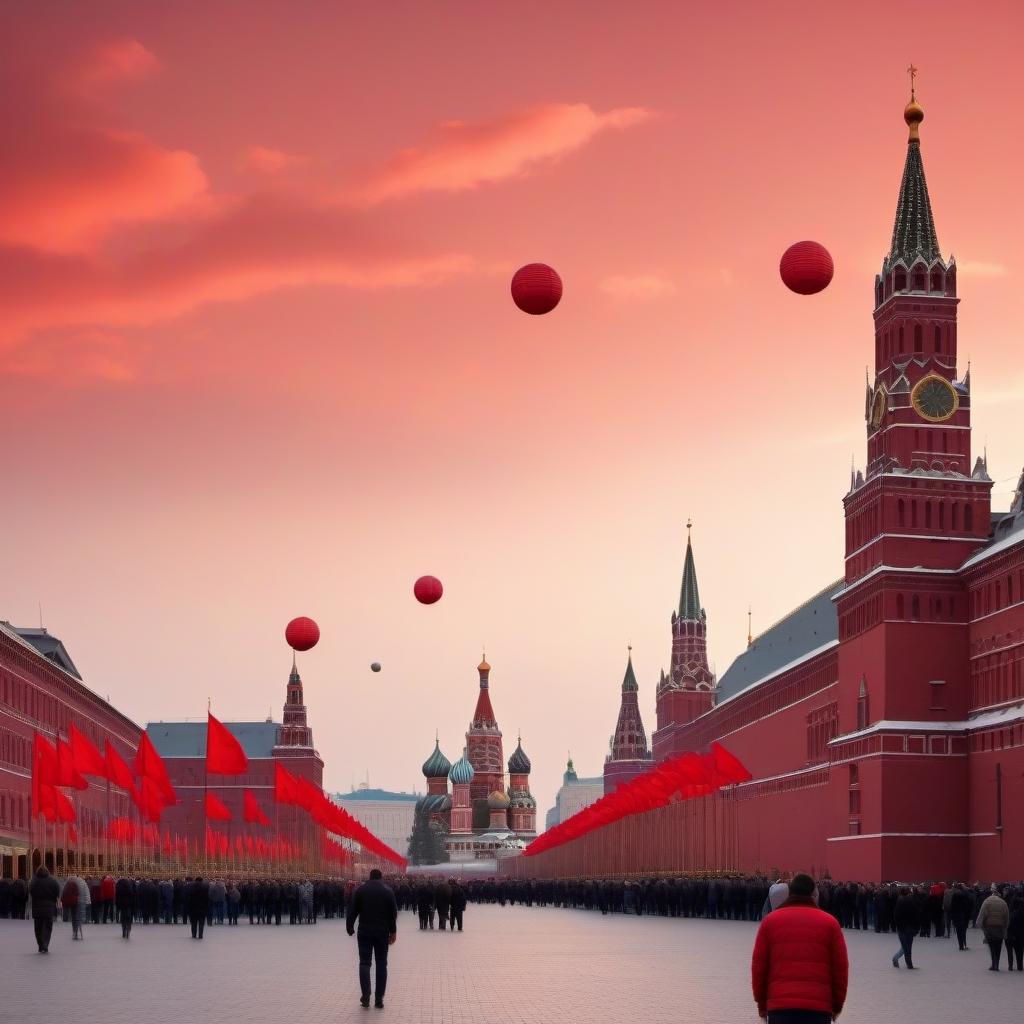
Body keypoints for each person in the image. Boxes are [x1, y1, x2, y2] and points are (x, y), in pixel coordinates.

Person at [751, 873, 848, 1024]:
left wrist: (762, 1005)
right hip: (818, 1009)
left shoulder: (770, 922)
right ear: (813, 895)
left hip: (780, 1007)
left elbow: (759, 968)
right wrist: (837, 1005)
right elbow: (840, 970)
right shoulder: (830, 924)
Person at [346, 868, 398, 1009]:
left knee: (364, 963)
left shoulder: (361, 890)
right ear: (381, 877)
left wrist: (349, 926)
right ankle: (379, 999)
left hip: (365, 931)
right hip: (382, 932)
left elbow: (352, 909)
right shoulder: (387, 890)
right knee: (381, 963)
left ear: (370, 877)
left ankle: (366, 996)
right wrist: (393, 932)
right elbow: (393, 914)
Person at [977, 884, 1009, 971]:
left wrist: (981, 925)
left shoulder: (987, 901)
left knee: (991, 946)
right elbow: (1006, 916)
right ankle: (997, 964)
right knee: (998, 946)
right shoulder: (1003, 903)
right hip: (999, 928)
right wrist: (1005, 927)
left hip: (989, 928)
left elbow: (982, 915)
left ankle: (993, 963)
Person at [29, 866, 60, 953]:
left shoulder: (34, 881)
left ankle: (41, 944)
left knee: (38, 928)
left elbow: (31, 891)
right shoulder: (53, 881)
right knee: (48, 927)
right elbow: (57, 892)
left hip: (37, 907)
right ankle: (45, 944)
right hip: (49, 907)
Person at [892, 886, 921, 968]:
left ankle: (896, 958)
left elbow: (896, 916)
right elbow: (916, 916)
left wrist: (898, 925)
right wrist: (916, 928)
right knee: (907, 947)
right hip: (909, 927)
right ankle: (909, 964)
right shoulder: (912, 902)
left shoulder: (899, 901)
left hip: (902, 928)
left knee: (905, 947)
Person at [187, 875, 210, 939]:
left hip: (193, 907)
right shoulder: (206, 886)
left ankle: (194, 934)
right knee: (201, 923)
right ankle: (200, 935)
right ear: (202, 880)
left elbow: (188, 897)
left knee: (193, 922)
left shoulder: (190, 886)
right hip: (202, 908)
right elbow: (207, 898)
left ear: (195, 880)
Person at [1006, 896, 1024, 972]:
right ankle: (1020, 965)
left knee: (1012, 950)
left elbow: (1009, 925)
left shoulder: (1012, 914)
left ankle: (1011, 966)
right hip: (1021, 935)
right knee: (1020, 951)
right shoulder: (1021, 913)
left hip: (1013, 935)